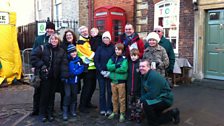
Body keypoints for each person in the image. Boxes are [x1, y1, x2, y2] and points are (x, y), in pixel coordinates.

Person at [30, 34, 69, 122]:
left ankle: (50, 113)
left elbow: (64, 64)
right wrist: (42, 65)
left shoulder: (61, 51)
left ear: (58, 40)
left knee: (52, 96)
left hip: (55, 77)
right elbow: (33, 57)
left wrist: (64, 75)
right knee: (44, 95)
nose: (54, 40)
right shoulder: (43, 48)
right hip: (44, 77)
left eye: (56, 39)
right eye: (52, 39)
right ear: (49, 40)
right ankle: (42, 114)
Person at [139, 59, 180, 126]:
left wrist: (142, 100)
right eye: (140, 66)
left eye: (143, 66)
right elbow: (143, 90)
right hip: (157, 97)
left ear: (149, 67)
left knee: (146, 104)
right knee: (157, 118)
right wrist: (141, 99)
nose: (141, 68)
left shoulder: (153, 76)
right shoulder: (143, 75)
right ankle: (173, 112)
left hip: (165, 99)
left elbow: (153, 94)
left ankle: (152, 124)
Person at [30, 21, 55, 116]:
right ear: (45, 29)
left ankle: (48, 109)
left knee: (48, 91)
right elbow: (33, 52)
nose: (50, 30)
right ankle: (36, 109)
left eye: (52, 29)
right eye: (48, 28)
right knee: (38, 90)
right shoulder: (39, 39)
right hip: (39, 68)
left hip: (49, 70)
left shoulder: (55, 39)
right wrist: (33, 66)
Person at [76, 26, 97, 113]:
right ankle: (82, 106)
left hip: (93, 68)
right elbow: (91, 55)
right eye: (82, 31)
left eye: (86, 31)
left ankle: (88, 102)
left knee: (92, 87)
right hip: (87, 68)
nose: (85, 32)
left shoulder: (87, 40)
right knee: (87, 87)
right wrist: (99, 56)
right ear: (80, 33)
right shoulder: (81, 42)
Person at [94, 31, 114, 116]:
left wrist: (110, 71)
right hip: (101, 73)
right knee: (102, 92)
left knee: (110, 92)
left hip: (110, 73)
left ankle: (110, 108)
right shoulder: (99, 48)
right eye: (104, 38)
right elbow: (96, 60)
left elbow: (114, 59)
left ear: (110, 39)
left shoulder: (113, 48)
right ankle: (102, 108)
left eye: (107, 38)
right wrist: (101, 70)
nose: (106, 39)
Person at [107, 43, 128, 122]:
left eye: (119, 50)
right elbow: (108, 66)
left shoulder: (124, 59)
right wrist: (116, 66)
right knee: (114, 98)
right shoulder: (112, 58)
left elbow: (123, 69)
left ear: (122, 50)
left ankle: (122, 113)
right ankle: (115, 111)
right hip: (113, 81)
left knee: (121, 98)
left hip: (121, 82)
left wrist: (113, 68)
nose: (117, 51)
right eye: (116, 49)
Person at [62, 44, 84, 121]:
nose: (74, 53)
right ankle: (65, 111)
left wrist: (75, 72)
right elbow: (65, 70)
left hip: (75, 81)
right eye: (72, 52)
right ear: (69, 53)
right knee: (67, 95)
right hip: (67, 81)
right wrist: (73, 72)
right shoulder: (66, 60)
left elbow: (82, 68)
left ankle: (73, 110)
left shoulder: (79, 60)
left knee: (74, 95)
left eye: (74, 51)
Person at [126, 48, 142, 123]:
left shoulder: (140, 64)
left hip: (138, 88)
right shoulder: (128, 63)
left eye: (135, 55)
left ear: (138, 56)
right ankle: (132, 114)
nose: (133, 57)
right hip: (130, 87)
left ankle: (138, 115)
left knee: (138, 103)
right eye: (132, 55)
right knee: (131, 103)